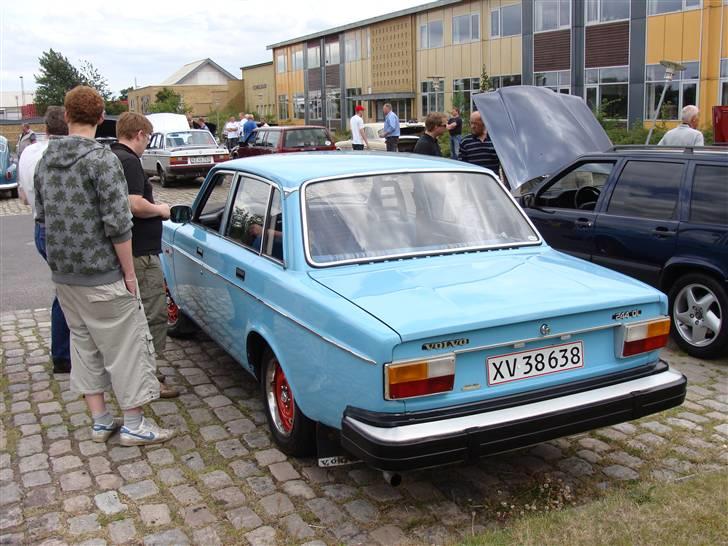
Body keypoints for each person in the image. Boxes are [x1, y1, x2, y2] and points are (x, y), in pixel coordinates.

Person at [34, 85, 175, 446]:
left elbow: (42, 217)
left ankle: (100, 421)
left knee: (84, 345)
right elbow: (118, 223)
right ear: (101, 119)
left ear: (66, 117)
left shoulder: (45, 160)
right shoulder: (102, 161)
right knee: (126, 346)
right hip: (103, 272)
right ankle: (134, 423)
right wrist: (129, 274)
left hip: (65, 275)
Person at [110, 113, 179, 399]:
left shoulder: (112, 156)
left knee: (137, 316)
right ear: (139, 133)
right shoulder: (129, 161)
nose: (147, 143)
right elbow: (135, 204)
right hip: (141, 253)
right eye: (147, 138)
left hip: (132, 249)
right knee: (153, 314)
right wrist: (161, 209)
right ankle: (149, 376)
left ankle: (141, 370)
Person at [17, 106, 72, 374]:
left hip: (40, 227)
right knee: (70, 291)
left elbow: (24, 197)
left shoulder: (28, 151)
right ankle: (65, 354)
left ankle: (64, 353)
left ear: (46, 128)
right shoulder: (58, 155)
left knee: (64, 289)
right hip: (61, 229)